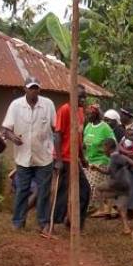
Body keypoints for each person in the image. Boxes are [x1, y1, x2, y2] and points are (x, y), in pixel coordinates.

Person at [3, 77, 57, 234]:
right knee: (22, 189)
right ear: (25, 89)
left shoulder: (48, 105)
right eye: (31, 88)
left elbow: (55, 128)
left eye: (36, 88)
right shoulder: (16, 105)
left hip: (44, 156)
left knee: (44, 191)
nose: (34, 90)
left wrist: (57, 155)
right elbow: (6, 129)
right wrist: (13, 138)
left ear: (39, 89)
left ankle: (44, 223)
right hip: (23, 157)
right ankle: (18, 221)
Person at [53, 84, 90, 229]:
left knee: (85, 190)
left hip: (74, 159)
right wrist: (59, 160)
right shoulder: (65, 109)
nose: (83, 99)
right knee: (62, 192)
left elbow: (78, 138)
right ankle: (53, 223)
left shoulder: (81, 112)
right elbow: (57, 135)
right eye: (80, 96)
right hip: (64, 158)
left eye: (84, 97)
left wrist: (82, 158)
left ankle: (75, 222)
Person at [93, 138, 133, 235]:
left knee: (97, 188)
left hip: (116, 184)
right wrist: (97, 169)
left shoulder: (115, 157)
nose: (103, 150)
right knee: (121, 208)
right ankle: (126, 228)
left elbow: (127, 161)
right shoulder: (117, 157)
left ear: (108, 147)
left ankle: (102, 209)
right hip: (125, 186)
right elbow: (110, 171)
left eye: (103, 148)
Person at [83, 104, 117, 217]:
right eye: (86, 114)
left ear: (96, 114)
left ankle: (95, 208)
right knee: (85, 185)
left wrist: (106, 152)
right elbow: (84, 143)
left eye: (90, 114)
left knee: (92, 185)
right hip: (89, 160)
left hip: (101, 161)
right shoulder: (88, 126)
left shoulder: (105, 128)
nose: (88, 116)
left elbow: (113, 143)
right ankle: (98, 208)